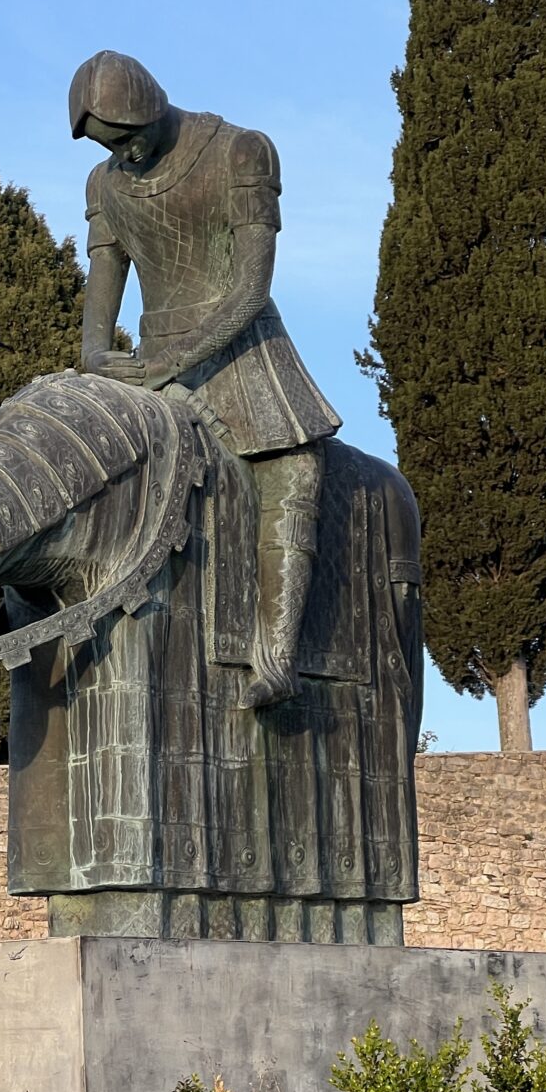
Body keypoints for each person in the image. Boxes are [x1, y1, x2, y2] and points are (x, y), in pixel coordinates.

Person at [69, 49, 342, 707]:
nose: (126, 157)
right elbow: (103, 289)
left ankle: (276, 654)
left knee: (291, 473)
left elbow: (250, 289)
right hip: (153, 361)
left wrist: (170, 363)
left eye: (130, 140)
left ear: (150, 110)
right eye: (113, 148)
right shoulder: (103, 186)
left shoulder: (241, 153)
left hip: (244, 354)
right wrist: (94, 356)